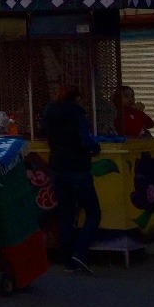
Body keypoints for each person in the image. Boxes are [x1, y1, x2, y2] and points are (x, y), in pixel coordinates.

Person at [41, 84, 102, 274]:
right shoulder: (78, 113)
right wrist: (96, 148)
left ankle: (66, 259)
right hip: (78, 168)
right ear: (75, 98)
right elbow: (85, 140)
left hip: (57, 168)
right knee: (93, 212)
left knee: (67, 213)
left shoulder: (49, 111)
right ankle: (80, 252)